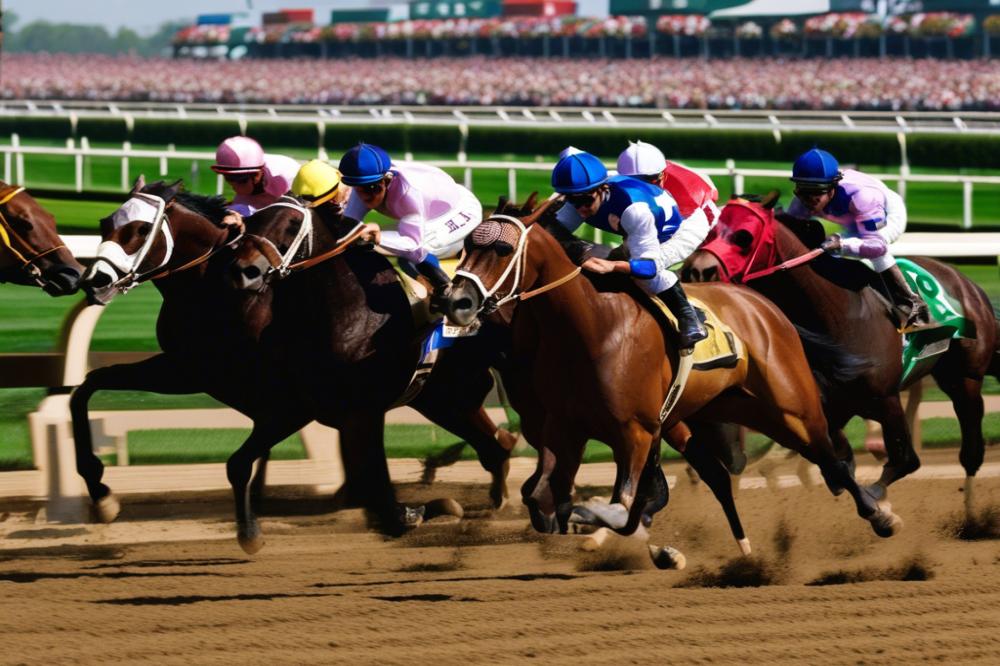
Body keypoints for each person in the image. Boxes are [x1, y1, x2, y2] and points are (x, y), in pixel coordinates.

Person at [551, 149, 709, 350]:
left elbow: (649, 267)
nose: (580, 208)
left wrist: (613, 265)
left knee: (643, 276)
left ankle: (689, 318)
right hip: (637, 227)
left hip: (677, 231)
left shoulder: (635, 211)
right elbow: (551, 231)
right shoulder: (584, 195)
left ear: (603, 188)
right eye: (572, 200)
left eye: (585, 201)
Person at [786, 148, 930, 329]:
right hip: (852, 219)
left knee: (874, 253)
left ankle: (911, 304)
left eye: (816, 192)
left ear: (832, 189)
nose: (807, 200)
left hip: (887, 215)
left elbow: (876, 246)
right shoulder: (804, 199)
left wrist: (842, 244)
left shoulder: (863, 197)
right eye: (802, 191)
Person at [337, 143, 483, 309]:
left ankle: (449, 295)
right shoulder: (367, 185)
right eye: (359, 189)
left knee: (410, 257)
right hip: (435, 208)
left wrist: (379, 237)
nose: (366, 196)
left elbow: (412, 244)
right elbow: (346, 228)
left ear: (387, 179)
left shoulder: (408, 193)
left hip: (462, 211)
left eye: (372, 188)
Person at [616, 140, 720, 228]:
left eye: (647, 180)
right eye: (633, 182)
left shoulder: (688, 196)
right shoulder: (615, 187)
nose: (642, 188)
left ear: (663, 176)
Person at [210, 135, 300, 230]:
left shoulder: (287, 175)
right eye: (227, 177)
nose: (232, 185)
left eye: (236, 179)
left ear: (257, 175)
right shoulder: (246, 186)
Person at [290, 159, 379, 243]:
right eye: (345, 190)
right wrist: (362, 230)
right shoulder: (328, 216)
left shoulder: (291, 213)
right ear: (332, 198)